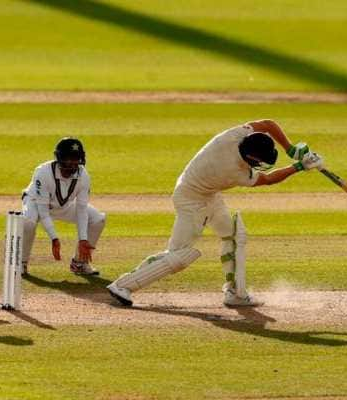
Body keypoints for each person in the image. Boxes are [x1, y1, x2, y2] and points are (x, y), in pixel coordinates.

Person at [107, 119, 323, 307]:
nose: (260, 164)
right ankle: (122, 285)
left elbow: (266, 124)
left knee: (233, 236)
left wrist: (291, 149)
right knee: (180, 255)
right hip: (192, 200)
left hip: (207, 192)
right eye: (258, 161)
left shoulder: (235, 135)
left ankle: (235, 293)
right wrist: (299, 167)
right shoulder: (232, 170)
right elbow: (266, 180)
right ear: (249, 156)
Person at [21, 137, 106, 276]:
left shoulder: (83, 175)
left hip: (63, 206)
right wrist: (54, 238)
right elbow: (43, 210)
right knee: (28, 223)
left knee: (98, 220)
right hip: (36, 204)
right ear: (59, 158)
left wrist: (83, 239)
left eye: (76, 159)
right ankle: (21, 263)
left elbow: (82, 209)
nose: (72, 163)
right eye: (68, 158)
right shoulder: (43, 172)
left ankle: (79, 263)